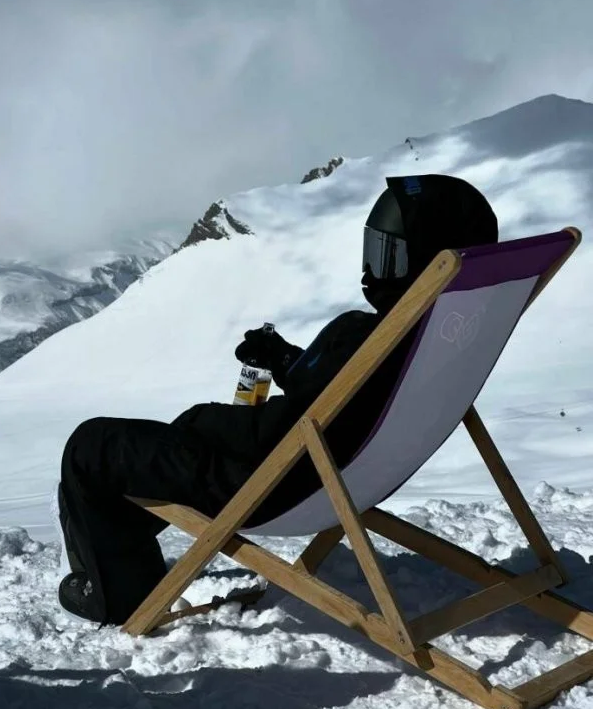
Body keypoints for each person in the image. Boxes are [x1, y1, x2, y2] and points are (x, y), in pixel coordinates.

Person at [56, 173, 499, 625]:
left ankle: (114, 595)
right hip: (343, 476)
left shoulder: (372, 337)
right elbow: (337, 394)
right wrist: (284, 358)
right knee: (149, 450)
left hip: (277, 486)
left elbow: (274, 434)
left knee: (92, 447)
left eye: (390, 254)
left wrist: (204, 419)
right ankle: (122, 556)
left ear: (423, 260)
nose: (374, 269)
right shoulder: (436, 338)